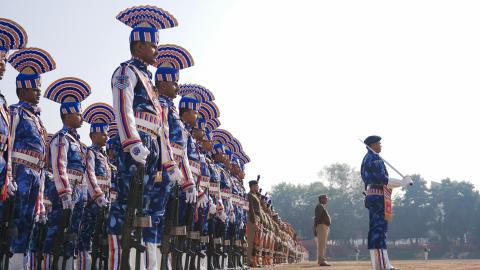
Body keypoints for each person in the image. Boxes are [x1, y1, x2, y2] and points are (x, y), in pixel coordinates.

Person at [108, 6, 182, 269]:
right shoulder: (125, 71)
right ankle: (119, 264)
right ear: (138, 46)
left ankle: (143, 264)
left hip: (150, 148)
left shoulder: (149, 83)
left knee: (146, 211)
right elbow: (122, 108)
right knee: (124, 208)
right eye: (152, 46)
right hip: (135, 146)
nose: (156, 51)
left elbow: (161, 128)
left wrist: (169, 163)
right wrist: (131, 141)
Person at [6, 47, 56, 267]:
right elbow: (7, 144)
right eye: (35, 89)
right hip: (20, 172)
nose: (38, 93)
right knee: (14, 221)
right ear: (23, 90)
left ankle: (21, 263)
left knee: (29, 223)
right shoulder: (15, 112)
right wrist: (9, 176)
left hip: (36, 174)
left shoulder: (37, 119)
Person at [43, 77, 96, 269]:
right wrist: (65, 193)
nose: (81, 117)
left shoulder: (78, 143)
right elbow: (59, 166)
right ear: (67, 115)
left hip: (79, 192)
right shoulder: (61, 138)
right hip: (65, 192)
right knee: (56, 232)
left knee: (74, 233)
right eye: (78, 114)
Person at [361, 135, 413, 270]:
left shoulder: (366, 159)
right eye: (378, 143)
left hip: (373, 196)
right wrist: (402, 182)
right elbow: (383, 180)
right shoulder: (374, 159)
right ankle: (382, 265)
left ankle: (382, 264)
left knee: (377, 231)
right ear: (372, 145)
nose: (380, 146)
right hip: (378, 197)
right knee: (379, 232)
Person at [77, 102, 115, 269]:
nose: (106, 137)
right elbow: (90, 175)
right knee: (87, 234)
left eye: (107, 135)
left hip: (105, 200)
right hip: (93, 200)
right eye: (103, 134)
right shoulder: (90, 152)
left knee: (101, 236)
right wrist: (98, 195)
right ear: (93, 135)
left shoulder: (105, 157)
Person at [314, 194, 331, 266]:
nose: (327, 200)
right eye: (325, 198)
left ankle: (321, 260)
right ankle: (322, 261)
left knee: (322, 244)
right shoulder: (319, 206)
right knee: (322, 245)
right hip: (321, 226)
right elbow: (317, 218)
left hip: (323, 226)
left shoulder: (321, 206)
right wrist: (315, 227)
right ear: (321, 199)